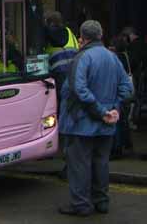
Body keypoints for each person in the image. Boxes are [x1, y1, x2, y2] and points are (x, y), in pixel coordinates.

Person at [58, 20, 133, 216]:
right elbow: (127, 88)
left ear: (82, 37)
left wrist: (101, 111)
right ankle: (101, 201)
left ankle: (81, 205)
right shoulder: (113, 57)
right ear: (101, 35)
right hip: (106, 123)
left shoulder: (82, 58)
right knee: (101, 163)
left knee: (79, 165)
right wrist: (113, 109)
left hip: (81, 123)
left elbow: (79, 89)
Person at [44, 11, 79, 111]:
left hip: (57, 75)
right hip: (74, 72)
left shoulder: (47, 35)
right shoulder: (69, 32)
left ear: (49, 23)